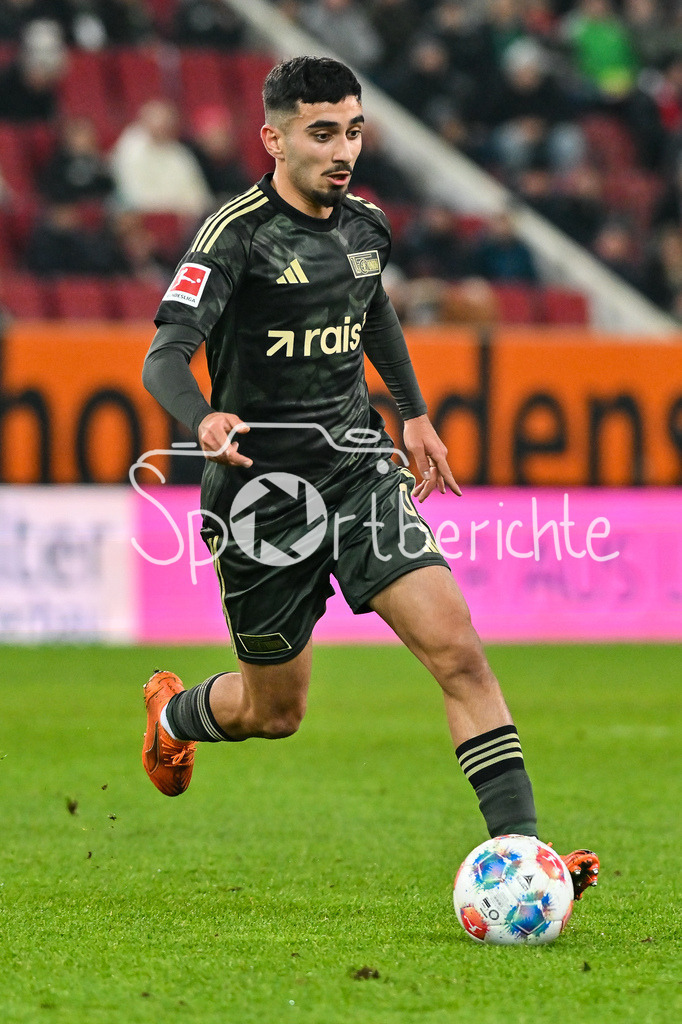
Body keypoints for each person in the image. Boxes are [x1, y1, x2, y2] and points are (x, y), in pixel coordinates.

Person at [140, 56, 599, 901]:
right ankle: (174, 715)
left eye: (353, 129)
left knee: (458, 652)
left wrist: (415, 411)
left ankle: (526, 857)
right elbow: (164, 353)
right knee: (274, 712)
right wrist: (200, 416)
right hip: (261, 499)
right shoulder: (233, 236)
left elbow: (372, 302)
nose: (342, 149)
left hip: (359, 470)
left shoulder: (367, 227)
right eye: (322, 133)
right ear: (273, 139)